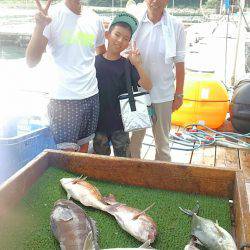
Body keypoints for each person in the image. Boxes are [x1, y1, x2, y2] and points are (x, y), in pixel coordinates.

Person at [26, 0, 106, 152]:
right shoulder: (51, 16)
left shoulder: (94, 18)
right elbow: (31, 61)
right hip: (63, 100)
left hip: (91, 96)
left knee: (84, 150)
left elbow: (101, 53)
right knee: (66, 158)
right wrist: (40, 26)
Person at [129, 0, 186, 161]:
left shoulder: (176, 25)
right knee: (134, 141)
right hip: (138, 93)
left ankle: (162, 178)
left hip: (164, 93)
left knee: (162, 144)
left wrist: (179, 94)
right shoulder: (135, 23)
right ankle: (133, 175)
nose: (155, 2)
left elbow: (180, 64)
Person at [93, 12, 152, 157]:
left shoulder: (127, 65)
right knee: (100, 164)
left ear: (129, 43)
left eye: (126, 38)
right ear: (107, 35)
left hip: (121, 125)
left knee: (124, 162)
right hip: (98, 125)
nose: (120, 41)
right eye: (117, 35)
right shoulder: (94, 62)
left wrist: (137, 64)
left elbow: (148, 85)